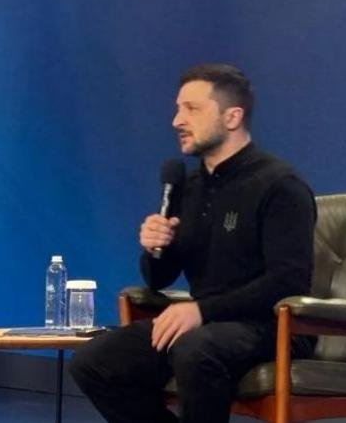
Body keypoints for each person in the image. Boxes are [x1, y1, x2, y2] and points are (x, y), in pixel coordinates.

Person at [70, 64, 316, 423]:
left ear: (232, 117)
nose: (177, 121)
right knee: (95, 361)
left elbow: (287, 282)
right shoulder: (188, 188)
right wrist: (156, 248)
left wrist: (202, 310)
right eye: (177, 109)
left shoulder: (279, 185)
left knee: (195, 348)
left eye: (192, 109)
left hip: (271, 327)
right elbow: (158, 279)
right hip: (207, 324)